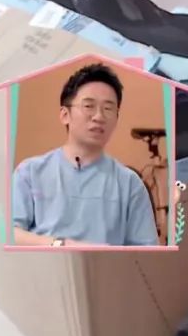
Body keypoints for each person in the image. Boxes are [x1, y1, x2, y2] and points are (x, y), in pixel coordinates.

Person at [12, 63, 159, 247]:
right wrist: (60, 245)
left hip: (106, 266)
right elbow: (10, 234)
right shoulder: (30, 172)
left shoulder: (130, 184)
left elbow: (146, 251)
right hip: (44, 264)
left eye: (108, 109)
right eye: (89, 106)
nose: (99, 117)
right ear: (65, 115)